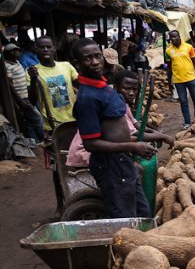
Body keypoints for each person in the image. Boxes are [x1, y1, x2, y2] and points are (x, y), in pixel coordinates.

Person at [69, 39, 157, 218]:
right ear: (77, 64)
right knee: (124, 218)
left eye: (97, 56)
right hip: (110, 165)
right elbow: (91, 144)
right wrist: (133, 146)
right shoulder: (87, 98)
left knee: (142, 212)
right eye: (87, 59)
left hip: (122, 160)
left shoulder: (104, 89)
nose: (95, 62)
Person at [67, 70, 174, 168]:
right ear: (116, 88)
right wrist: (162, 136)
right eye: (127, 89)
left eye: (134, 90)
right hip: (86, 152)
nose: (131, 93)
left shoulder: (124, 104)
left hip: (104, 146)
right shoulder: (113, 107)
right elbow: (132, 136)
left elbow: (137, 126)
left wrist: (155, 132)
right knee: (136, 170)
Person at [27, 36, 78, 131]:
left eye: (48, 47)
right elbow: (33, 101)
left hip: (74, 119)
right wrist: (33, 79)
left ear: (54, 48)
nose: (45, 49)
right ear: (36, 50)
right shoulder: (32, 71)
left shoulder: (66, 66)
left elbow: (81, 85)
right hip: (52, 124)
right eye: (42, 47)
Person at [4, 43, 45, 142]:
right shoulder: (7, 65)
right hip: (21, 98)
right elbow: (10, 85)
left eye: (17, 50)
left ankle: (34, 141)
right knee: (37, 119)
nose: (17, 52)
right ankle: (43, 138)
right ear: (9, 53)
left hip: (27, 95)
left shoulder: (17, 62)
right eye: (14, 51)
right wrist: (20, 102)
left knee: (30, 122)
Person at [165, 30, 195, 128]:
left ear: (179, 36)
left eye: (174, 37)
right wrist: (169, 81)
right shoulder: (168, 51)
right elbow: (169, 68)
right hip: (178, 81)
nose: (172, 39)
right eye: (171, 37)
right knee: (183, 101)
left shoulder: (188, 47)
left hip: (191, 78)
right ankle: (187, 122)